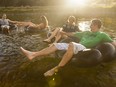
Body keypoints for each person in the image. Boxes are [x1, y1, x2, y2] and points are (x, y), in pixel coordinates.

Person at [20, 19, 116, 77]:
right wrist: (63, 33)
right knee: (55, 45)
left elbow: (112, 42)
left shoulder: (102, 34)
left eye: (92, 24)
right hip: (77, 47)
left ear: (97, 26)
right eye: (91, 24)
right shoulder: (86, 32)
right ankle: (33, 54)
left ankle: (56, 69)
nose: (90, 25)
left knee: (71, 44)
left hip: (85, 49)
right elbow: (73, 34)